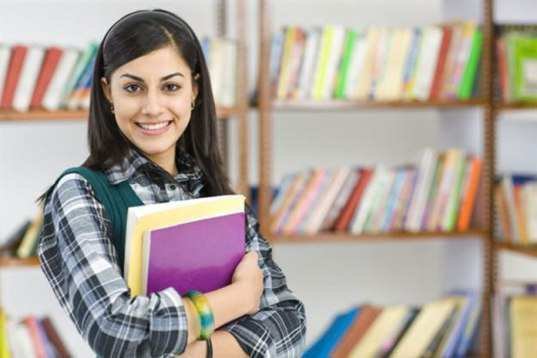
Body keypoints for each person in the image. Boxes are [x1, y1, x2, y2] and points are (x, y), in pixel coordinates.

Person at [37, 9, 306, 357]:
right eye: (133, 87)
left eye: (171, 86)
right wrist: (237, 298)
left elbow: (289, 323)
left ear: (193, 91)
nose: (153, 107)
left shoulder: (219, 196)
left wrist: (198, 352)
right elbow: (114, 330)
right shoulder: (79, 193)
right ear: (107, 92)